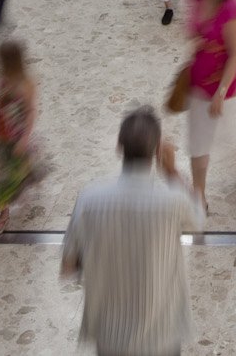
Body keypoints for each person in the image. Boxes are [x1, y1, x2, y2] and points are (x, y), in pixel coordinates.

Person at [61, 107, 202, 356]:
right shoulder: (172, 202)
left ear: (119, 146)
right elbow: (199, 220)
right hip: (162, 337)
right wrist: (172, 173)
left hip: (110, 338)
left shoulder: (89, 200)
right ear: (157, 152)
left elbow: (68, 267)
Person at [182, 0, 236, 211]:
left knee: (230, 138)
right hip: (199, 85)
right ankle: (199, 194)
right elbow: (191, 31)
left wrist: (221, 92)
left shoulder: (231, 9)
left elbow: (235, 54)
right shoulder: (197, 0)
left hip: (222, 88)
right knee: (198, 144)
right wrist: (198, 40)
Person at [0, 38, 40, 236]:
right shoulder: (5, 78)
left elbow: (30, 112)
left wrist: (24, 138)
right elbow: (1, 96)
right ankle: (4, 212)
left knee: (12, 173)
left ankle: (7, 209)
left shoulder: (26, 85)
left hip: (14, 137)